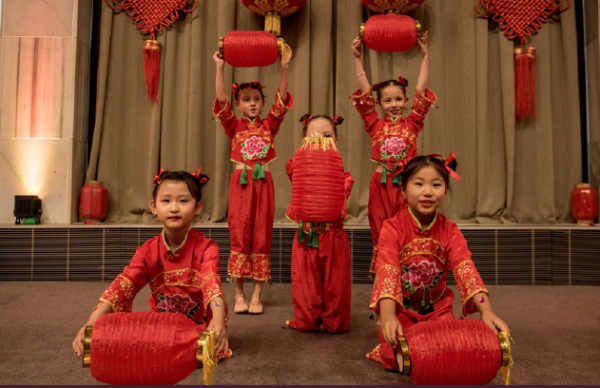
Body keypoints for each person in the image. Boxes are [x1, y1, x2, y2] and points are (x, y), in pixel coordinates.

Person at [367, 155, 510, 371]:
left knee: (446, 350)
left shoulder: (449, 230)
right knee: (396, 354)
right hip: (401, 310)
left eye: (436, 185)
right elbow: (388, 270)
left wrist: (486, 311)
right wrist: (387, 315)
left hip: (438, 311)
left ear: (445, 189)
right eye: (418, 184)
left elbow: (465, 270)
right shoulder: (392, 228)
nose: (427, 192)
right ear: (404, 190)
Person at [72, 169, 231, 359]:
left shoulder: (207, 247)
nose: (174, 208)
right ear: (153, 207)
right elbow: (123, 285)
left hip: (198, 328)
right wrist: (91, 324)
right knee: (124, 340)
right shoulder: (147, 251)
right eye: (166, 201)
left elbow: (212, 283)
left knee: (199, 351)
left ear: (198, 207)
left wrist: (219, 322)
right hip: (161, 326)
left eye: (183, 201)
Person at [212, 45, 293, 315]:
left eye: (256, 98)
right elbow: (221, 99)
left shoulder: (270, 125)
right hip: (240, 184)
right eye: (246, 99)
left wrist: (284, 66)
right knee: (240, 234)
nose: (252, 103)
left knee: (261, 236)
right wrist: (220, 67)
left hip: (264, 186)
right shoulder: (233, 126)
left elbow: (282, 99)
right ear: (238, 105)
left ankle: (257, 294)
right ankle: (238, 294)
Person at [350, 32, 437, 274]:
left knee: (407, 228)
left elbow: (422, 90)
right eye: (387, 101)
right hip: (381, 184)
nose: (394, 104)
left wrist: (425, 56)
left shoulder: (412, 124)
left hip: (406, 185)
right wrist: (357, 58)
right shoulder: (374, 124)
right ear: (379, 105)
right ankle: (384, 287)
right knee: (381, 230)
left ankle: (409, 283)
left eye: (398, 99)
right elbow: (365, 93)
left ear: (407, 101)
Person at [284, 115, 354, 333]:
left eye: (327, 136)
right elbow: (292, 169)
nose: (320, 140)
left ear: (336, 139)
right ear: (304, 140)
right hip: (306, 236)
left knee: (336, 283)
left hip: (333, 236)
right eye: (313, 136)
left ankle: (334, 322)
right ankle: (306, 320)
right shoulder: (297, 166)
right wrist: (309, 155)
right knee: (305, 283)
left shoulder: (345, 177)